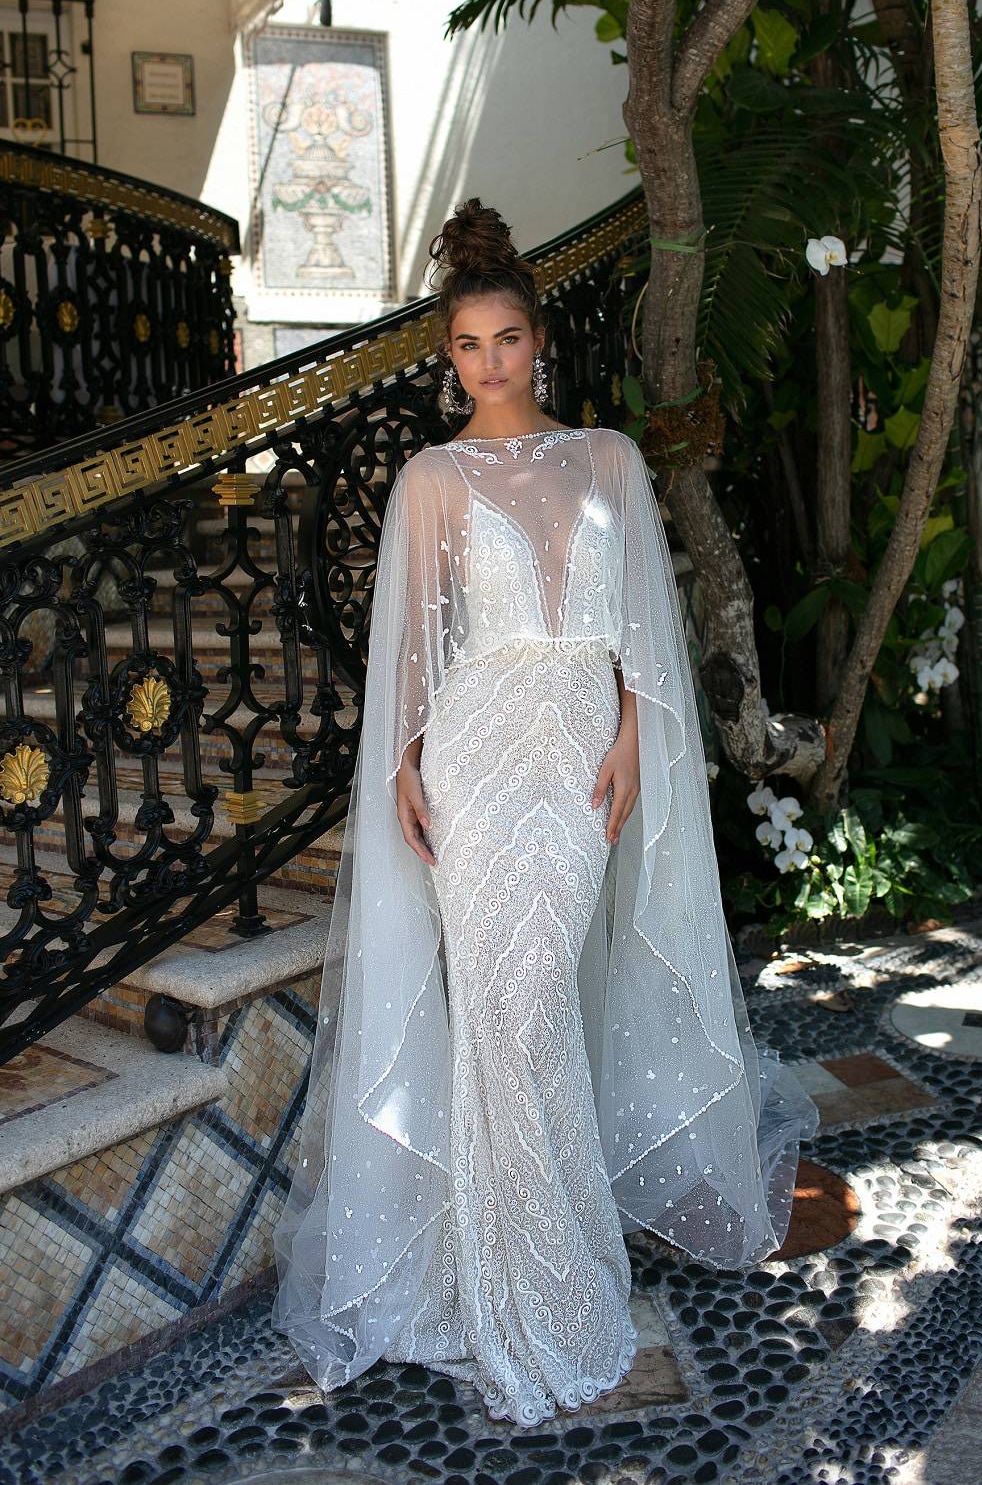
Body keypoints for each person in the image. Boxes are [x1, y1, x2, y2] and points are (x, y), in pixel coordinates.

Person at [271, 197, 820, 1427]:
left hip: (575, 753)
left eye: (505, 340)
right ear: (449, 357)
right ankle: (523, 1289)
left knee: (533, 1006)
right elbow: (413, 646)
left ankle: (549, 1265)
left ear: (537, 342)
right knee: (506, 1013)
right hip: (474, 758)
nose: (488, 364)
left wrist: (631, 734)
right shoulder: (431, 479)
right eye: (467, 346)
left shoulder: (607, 458)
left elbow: (640, 628)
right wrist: (405, 765)